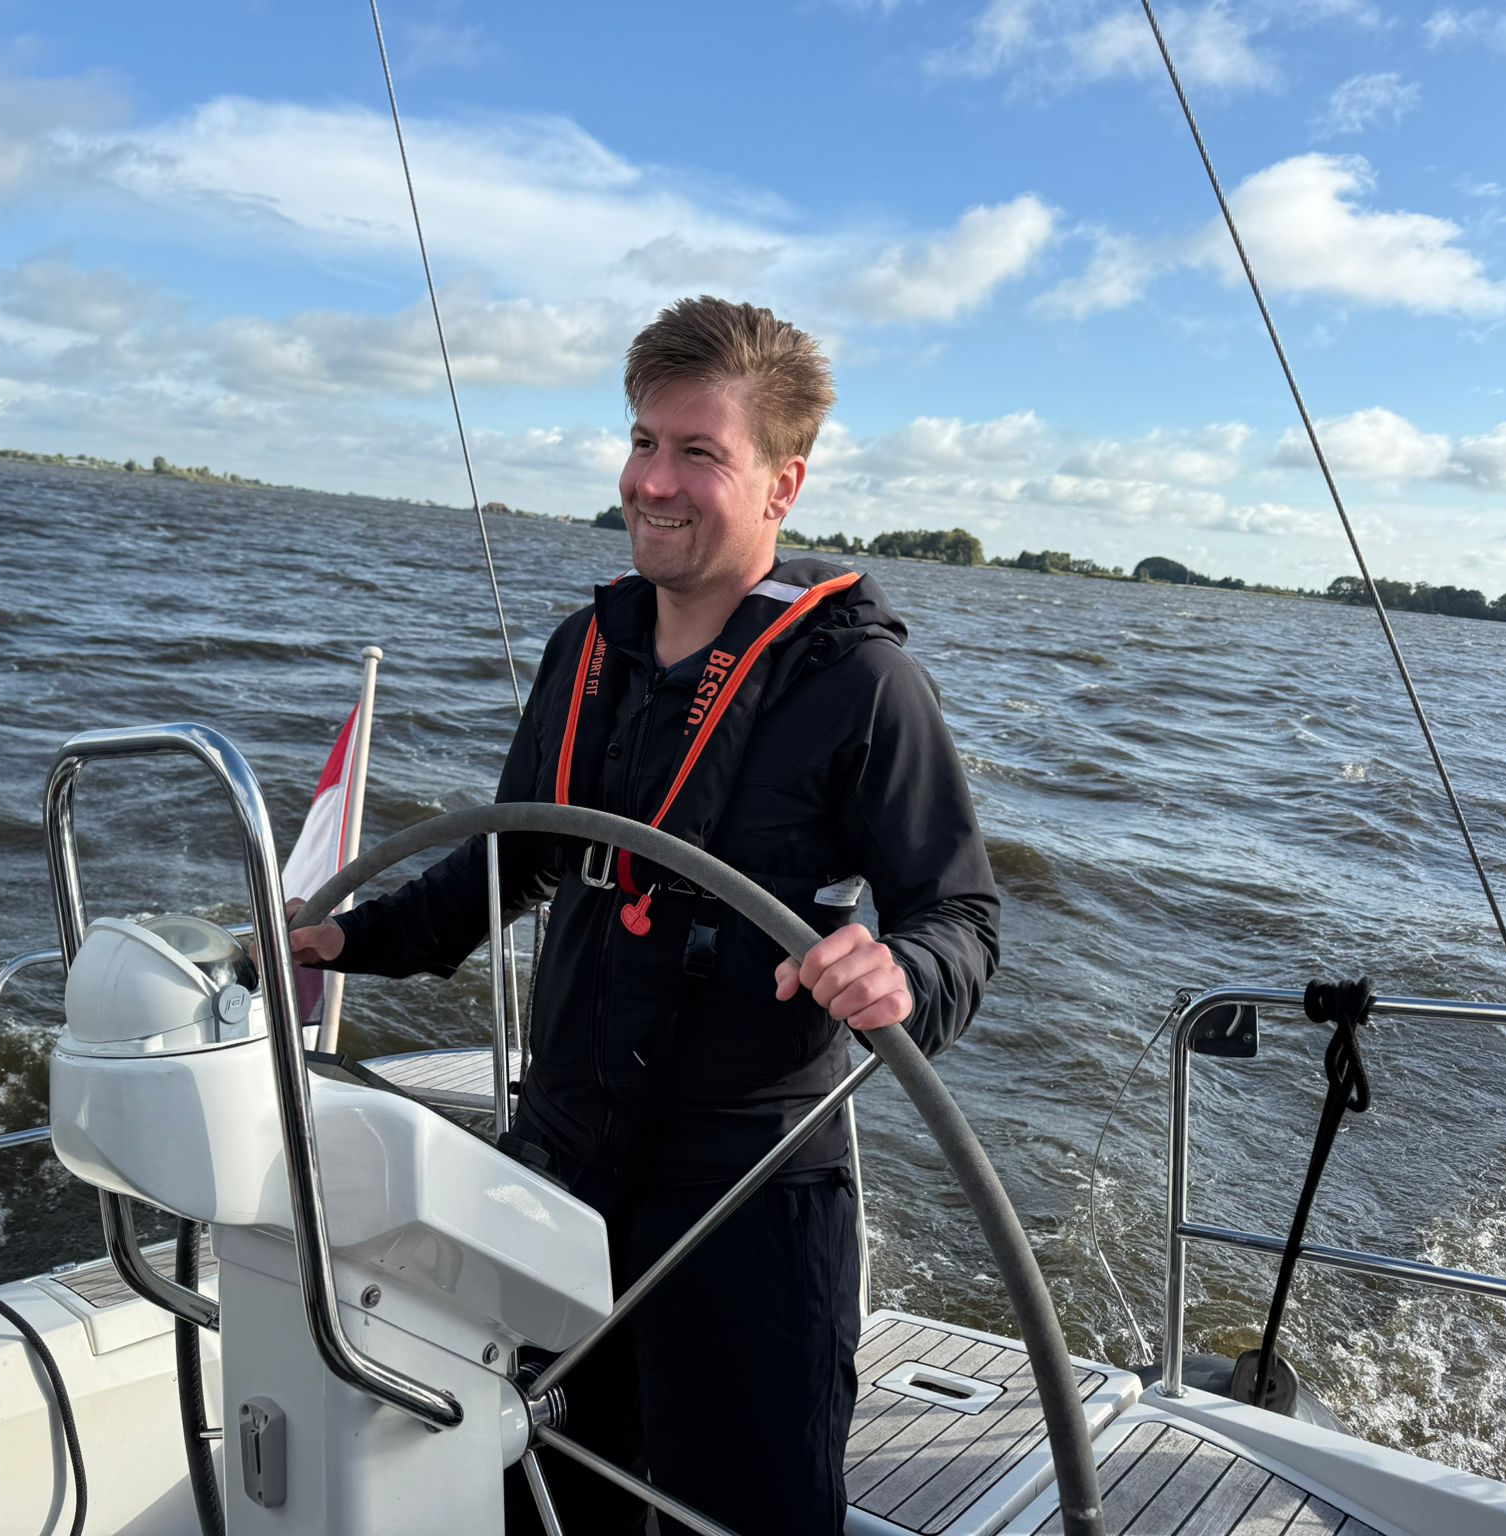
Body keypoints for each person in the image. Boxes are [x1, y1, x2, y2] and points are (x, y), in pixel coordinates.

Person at [291, 295, 999, 1535]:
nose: (651, 482)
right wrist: (347, 938)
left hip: (747, 1190)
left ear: (781, 484)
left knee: (750, 1513)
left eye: (696, 453)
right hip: (561, 1167)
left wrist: (900, 969)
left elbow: (959, 915)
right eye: (640, 442)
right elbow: (504, 865)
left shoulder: (862, 684)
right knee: (542, 1495)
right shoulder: (585, 650)